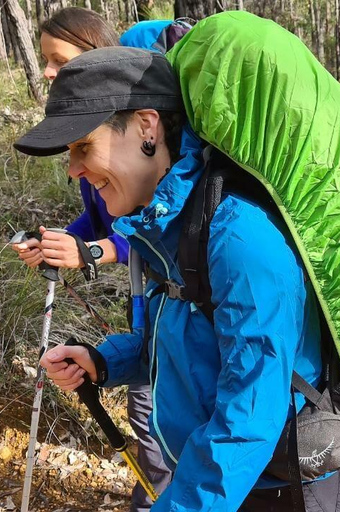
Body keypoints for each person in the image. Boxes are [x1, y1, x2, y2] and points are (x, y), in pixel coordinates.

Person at [15, 47, 340, 511]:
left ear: (146, 127)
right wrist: (105, 362)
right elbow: (189, 340)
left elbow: (250, 415)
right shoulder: (168, 227)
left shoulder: (237, 235)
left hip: (287, 487)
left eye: (83, 146)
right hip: (229, 482)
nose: (73, 169)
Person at [8, 8, 172, 511]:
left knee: (160, 417)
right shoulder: (97, 138)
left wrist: (91, 252)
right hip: (147, 311)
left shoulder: (129, 131)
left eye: (59, 61)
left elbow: (153, 226)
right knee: (152, 413)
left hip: (163, 301)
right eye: (44, 62)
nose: (48, 73)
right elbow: (103, 219)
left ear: (98, 57)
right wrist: (62, 239)